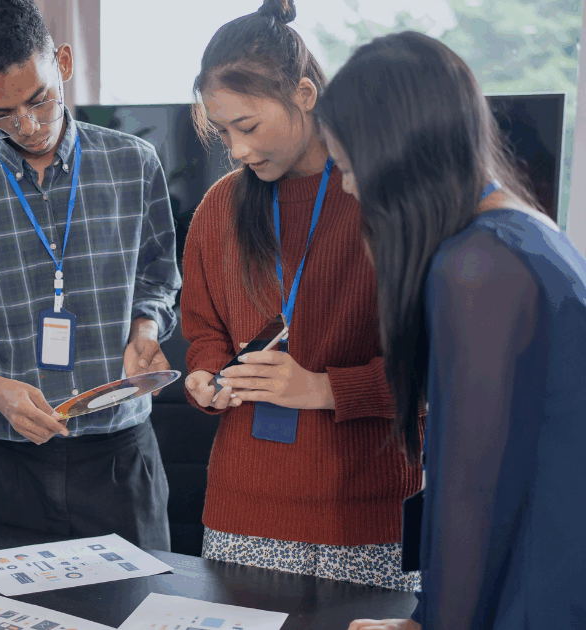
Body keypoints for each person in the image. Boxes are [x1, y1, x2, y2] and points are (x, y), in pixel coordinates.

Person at [317, 32, 586, 630]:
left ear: (397, 160)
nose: (348, 188)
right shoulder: (524, 231)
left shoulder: (477, 267)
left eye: (350, 168)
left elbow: (473, 496)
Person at [0, 0, 181, 550]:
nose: (27, 126)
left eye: (39, 99)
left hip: (120, 451)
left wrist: (145, 330)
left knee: (143, 597)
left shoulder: (134, 163)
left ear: (64, 63)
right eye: (1, 113)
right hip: (11, 462)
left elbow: (158, 278)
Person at [180, 0, 422, 590]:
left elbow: (434, 373)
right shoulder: (218, 206)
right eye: (223, 132)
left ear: (305, 95)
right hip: (241, 513)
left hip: (367, 519)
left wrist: (320, 388)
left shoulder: (385, 200)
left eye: (247, 127)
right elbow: (204, 330)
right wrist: (205, 374)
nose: (236, 150)